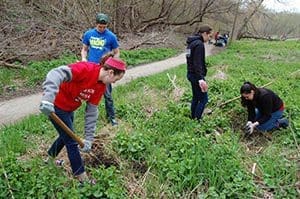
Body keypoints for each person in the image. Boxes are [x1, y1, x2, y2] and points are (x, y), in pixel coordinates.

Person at [39, 57, 126, 183]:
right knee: (71, 141)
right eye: (116, 79)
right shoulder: (86, 69)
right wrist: (48, 98)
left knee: (65, 135)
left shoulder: (101, 86)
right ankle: (81, 177)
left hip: (69, 108)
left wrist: (89, 139)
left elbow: (91, 112)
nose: (115, 82)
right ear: (111, 72)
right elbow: (56, 73)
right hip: (56, 106)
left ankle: (49, 159)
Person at [81, 13, 120, 126]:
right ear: (96, 24)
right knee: (89, 94)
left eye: (104, 27)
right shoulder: (89, 34)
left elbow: (117, 51)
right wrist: (84, 58)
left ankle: (111, 117)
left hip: (105, 70)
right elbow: (84, 49)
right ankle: (89, 119)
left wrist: (114, 64)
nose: (102, 29)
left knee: (107, 95)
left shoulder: (111, 36)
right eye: (100, 27)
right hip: (91, 69)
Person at [186, 25, 212, 121]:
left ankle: (193, 117)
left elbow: (190, 60)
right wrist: (201, 79)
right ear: (205, 33)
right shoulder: (199, 44)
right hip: (196, 76)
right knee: (203, 99)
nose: (210, 38)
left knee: (196, 97)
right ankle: (197, 120)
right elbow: (197, 63)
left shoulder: (191, 43)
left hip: (191, 74)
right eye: (209, 36)